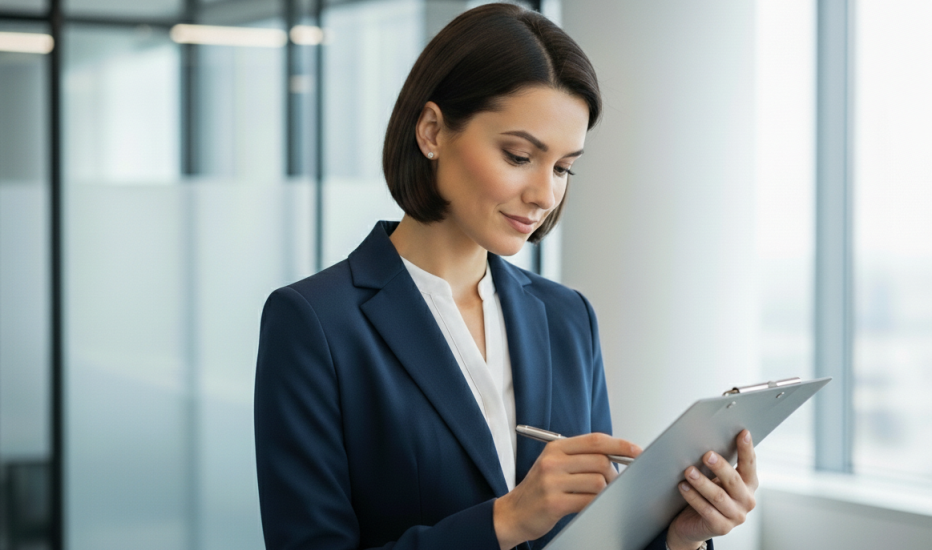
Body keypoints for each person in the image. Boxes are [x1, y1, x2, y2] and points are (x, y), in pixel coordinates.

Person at [254, 4, 758, 550]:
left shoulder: (568, 319)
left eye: (563, 167)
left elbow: (591, 538)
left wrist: (676, 540)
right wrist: (506, 520)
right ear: (432, 132)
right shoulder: (315, 324)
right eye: (519, 155)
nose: (545, 195)